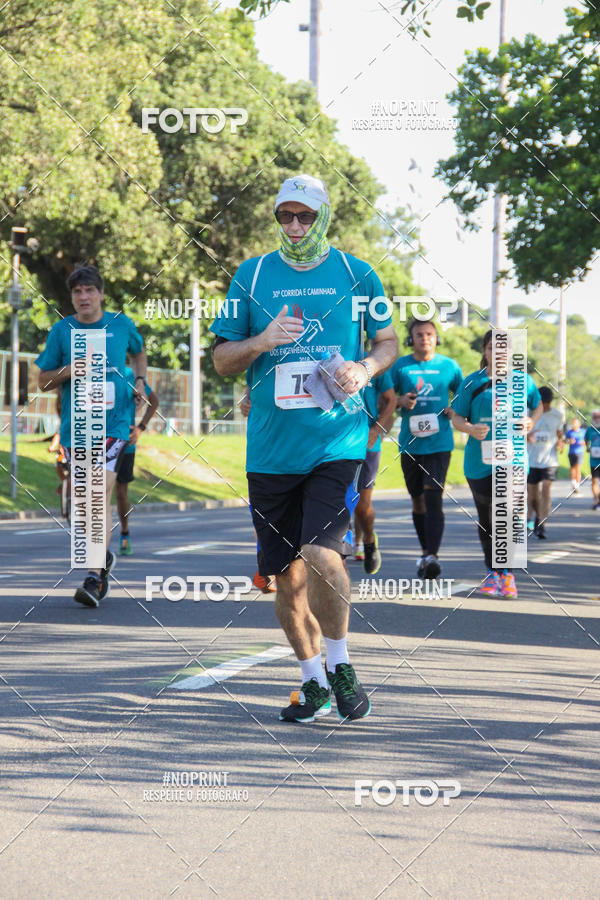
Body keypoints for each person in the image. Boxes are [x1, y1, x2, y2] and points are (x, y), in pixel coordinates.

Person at [211, 173, 398, 723]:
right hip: (270, 452)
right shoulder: (252, 275)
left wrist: (365, 368)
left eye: (305, 216)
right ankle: (312, 681)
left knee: (321, 555)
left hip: (335, 441)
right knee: (287, 580)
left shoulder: (357, 274)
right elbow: (221, 359)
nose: (294, 226)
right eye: (285, 216)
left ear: (324, 216)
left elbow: (387, 342)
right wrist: (261, 341)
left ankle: (341, 666)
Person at [36, 265, 147, 607]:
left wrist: (140, 381)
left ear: (100, 294)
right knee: (81, 505)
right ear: (72, 297)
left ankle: (93, 578)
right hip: (77, 429)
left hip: (114, 425)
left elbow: (139, 352)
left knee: (98, 495)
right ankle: (103, 557)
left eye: (89, 290)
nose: (83, 297)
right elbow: (42, 380)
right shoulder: (62, 331)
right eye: (77, 292)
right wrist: (70, 370)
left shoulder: (121, 324)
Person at [452, 329, 543, 599]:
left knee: (509, 513)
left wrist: (531, 421)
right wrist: (470, 429)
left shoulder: (523, 381)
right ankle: (493, 571)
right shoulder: (472, 382)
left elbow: (537, 406)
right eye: (493, 348)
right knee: (487, 518)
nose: (499, 353)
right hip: (479, 461)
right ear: (485, 351)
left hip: (514, 459)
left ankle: (508, 573)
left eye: (504, 348)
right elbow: (456, 417)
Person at [390, 319, 463, 579]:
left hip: (439, 443)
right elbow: (383, 398)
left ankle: (433, 555)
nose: (425, 339)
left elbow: (464, 396)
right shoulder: (401, 366)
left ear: (437, 338)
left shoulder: (449, 366)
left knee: (433, 497)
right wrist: (399, 400)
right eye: (419, 334)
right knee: (418, 500)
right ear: (411, 339)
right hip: (410, 443)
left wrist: (455, 409)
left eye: (430, 334)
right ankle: (425, 552)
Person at [353, 371, 396, 574]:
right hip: (336, 441)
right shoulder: (331, 358)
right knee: (335, 502)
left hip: (368, 443)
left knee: (362, 507)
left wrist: (376, 429)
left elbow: (391, 400)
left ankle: (369, 539)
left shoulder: (375, 365)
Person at [116, 366, 159, 555]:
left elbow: (154, 401)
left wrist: (141, 427)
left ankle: (124, 533)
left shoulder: (129, 375)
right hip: (98, 441)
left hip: (125, 442)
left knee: (121, 492)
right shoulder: (93, 371)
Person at [239, 386, 276, 592]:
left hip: (309, 447)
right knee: (262, 514)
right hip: (265, 449)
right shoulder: (261, 364)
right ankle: (268, 566)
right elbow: (252, 381)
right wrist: (246, 398)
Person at [526, 386, 563, 539]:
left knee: (546, 489)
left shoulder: (557, 415)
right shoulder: (528, 414)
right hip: (531, 460)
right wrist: (527, 436)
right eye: (543, 404)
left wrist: (560, 441)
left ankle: (542, 524)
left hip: (550, 460)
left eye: (548, 404)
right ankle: (537, 515)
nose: (545, 407)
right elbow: (515, 433)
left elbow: (559, 433)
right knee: (533, 494)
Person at [564, 417, 586, 493]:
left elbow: (586, 441)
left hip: (580, 452)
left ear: (579, 424)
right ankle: (573, 482)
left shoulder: (583, 432)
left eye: (575, 423)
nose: (574, 424)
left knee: (578, 468)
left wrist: (584, 443)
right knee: (572, 469)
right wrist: (569, 441)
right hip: (571, 452)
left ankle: (577, 485)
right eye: (573, 423)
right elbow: (565, 441)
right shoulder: (569, 432)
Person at [584, 410, 600, 509]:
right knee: (594, 481)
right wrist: (587, 447)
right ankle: (595, 500)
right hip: (594, 461)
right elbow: (586, 439)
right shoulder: (590, 429)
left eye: (598, 417)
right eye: (595, 417)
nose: (597, 419)